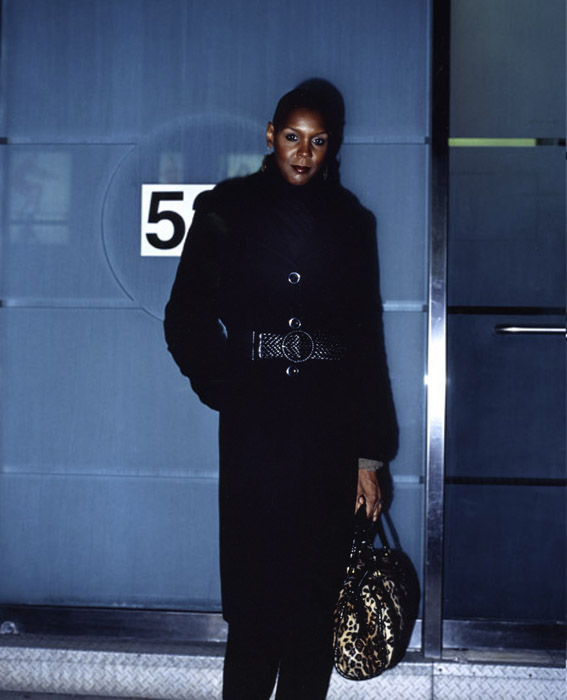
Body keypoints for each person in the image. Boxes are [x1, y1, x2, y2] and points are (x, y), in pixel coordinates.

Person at [164, 81, 398, 700]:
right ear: (270, 136)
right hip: (257, 436)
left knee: (312, 611)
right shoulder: (226, 207)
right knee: (255, 608)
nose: (303, 152)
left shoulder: (353, 224)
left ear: (331, 146)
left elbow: (367, 341)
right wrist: (228, 384)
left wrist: (368, 455)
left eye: (317, 141)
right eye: (293, 137)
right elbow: (185, 316)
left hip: (329, 435)